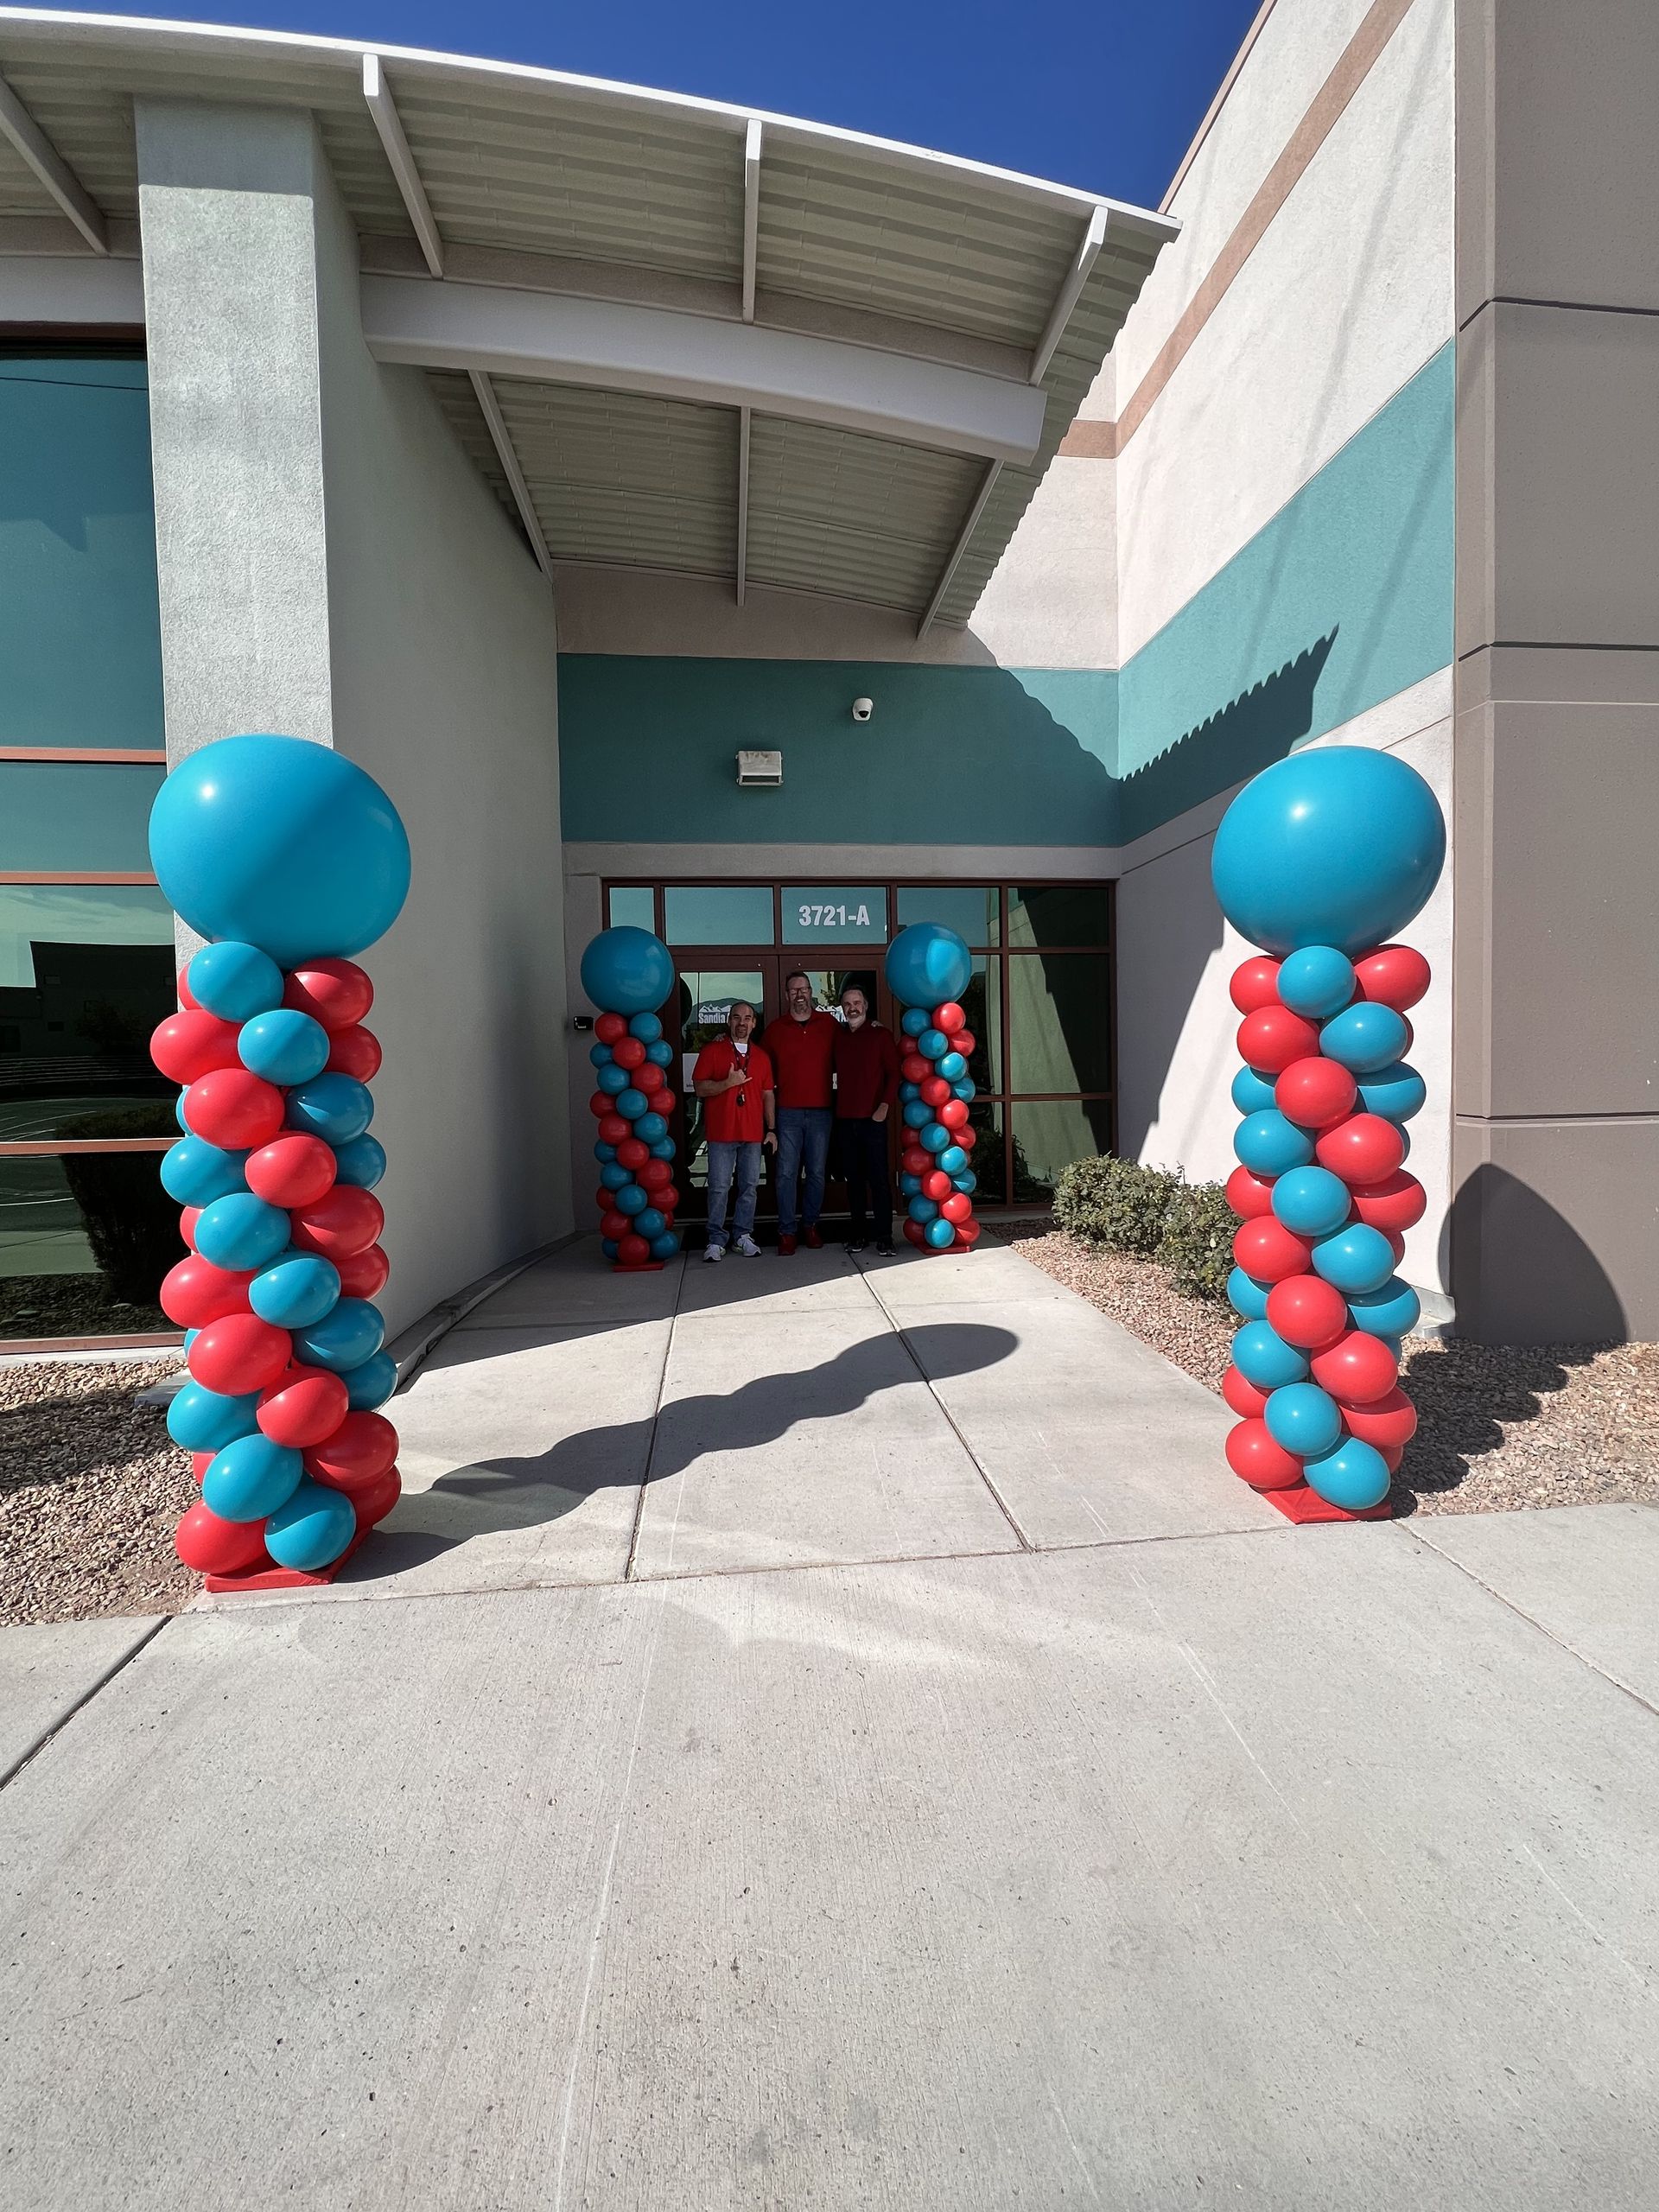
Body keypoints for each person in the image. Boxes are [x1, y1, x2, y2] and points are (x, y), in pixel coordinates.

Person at [761, 971, 839, 1255]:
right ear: (786, 995)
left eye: (804, 989)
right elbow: (758, 1065)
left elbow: (853, 1047)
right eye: (794, 990)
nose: (800, 995)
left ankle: (811, 1225)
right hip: (787, 1113)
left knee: (818, 1173)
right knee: (785, 1174)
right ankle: (786, 1231)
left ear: (811, 992)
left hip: (821, 1113)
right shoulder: (775, 1030)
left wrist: (873, 1026)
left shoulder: (829, 1025)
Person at [691, 1000, 776, 1261]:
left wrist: (771, 1128)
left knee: (749, 1187)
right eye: (737, 1018)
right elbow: (700, 1088)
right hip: (721, 1133)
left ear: (754, 1023)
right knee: (718, 1187)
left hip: (752, 1134)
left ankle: (742, 1236)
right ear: (729, 1022)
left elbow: (767, 1095)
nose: (742, 1023)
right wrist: (728, 1083)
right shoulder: (712, 1051)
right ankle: (716, 1239)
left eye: (748, 1018)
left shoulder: (761, 1057)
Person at [831, 982, 899, 1256]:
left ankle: (885, 1236)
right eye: (847, 1004)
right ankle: (858, 1235)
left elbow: (895, 1073)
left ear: (866, 1005)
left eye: (856, 1003)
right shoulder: (838, 1037)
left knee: (879, 1180)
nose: (852, 1008)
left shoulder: (880, 1035)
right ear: (843, 1009)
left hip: (873, 1120)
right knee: (854, 1182)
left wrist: (884, 1106)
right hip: (846, 1120)